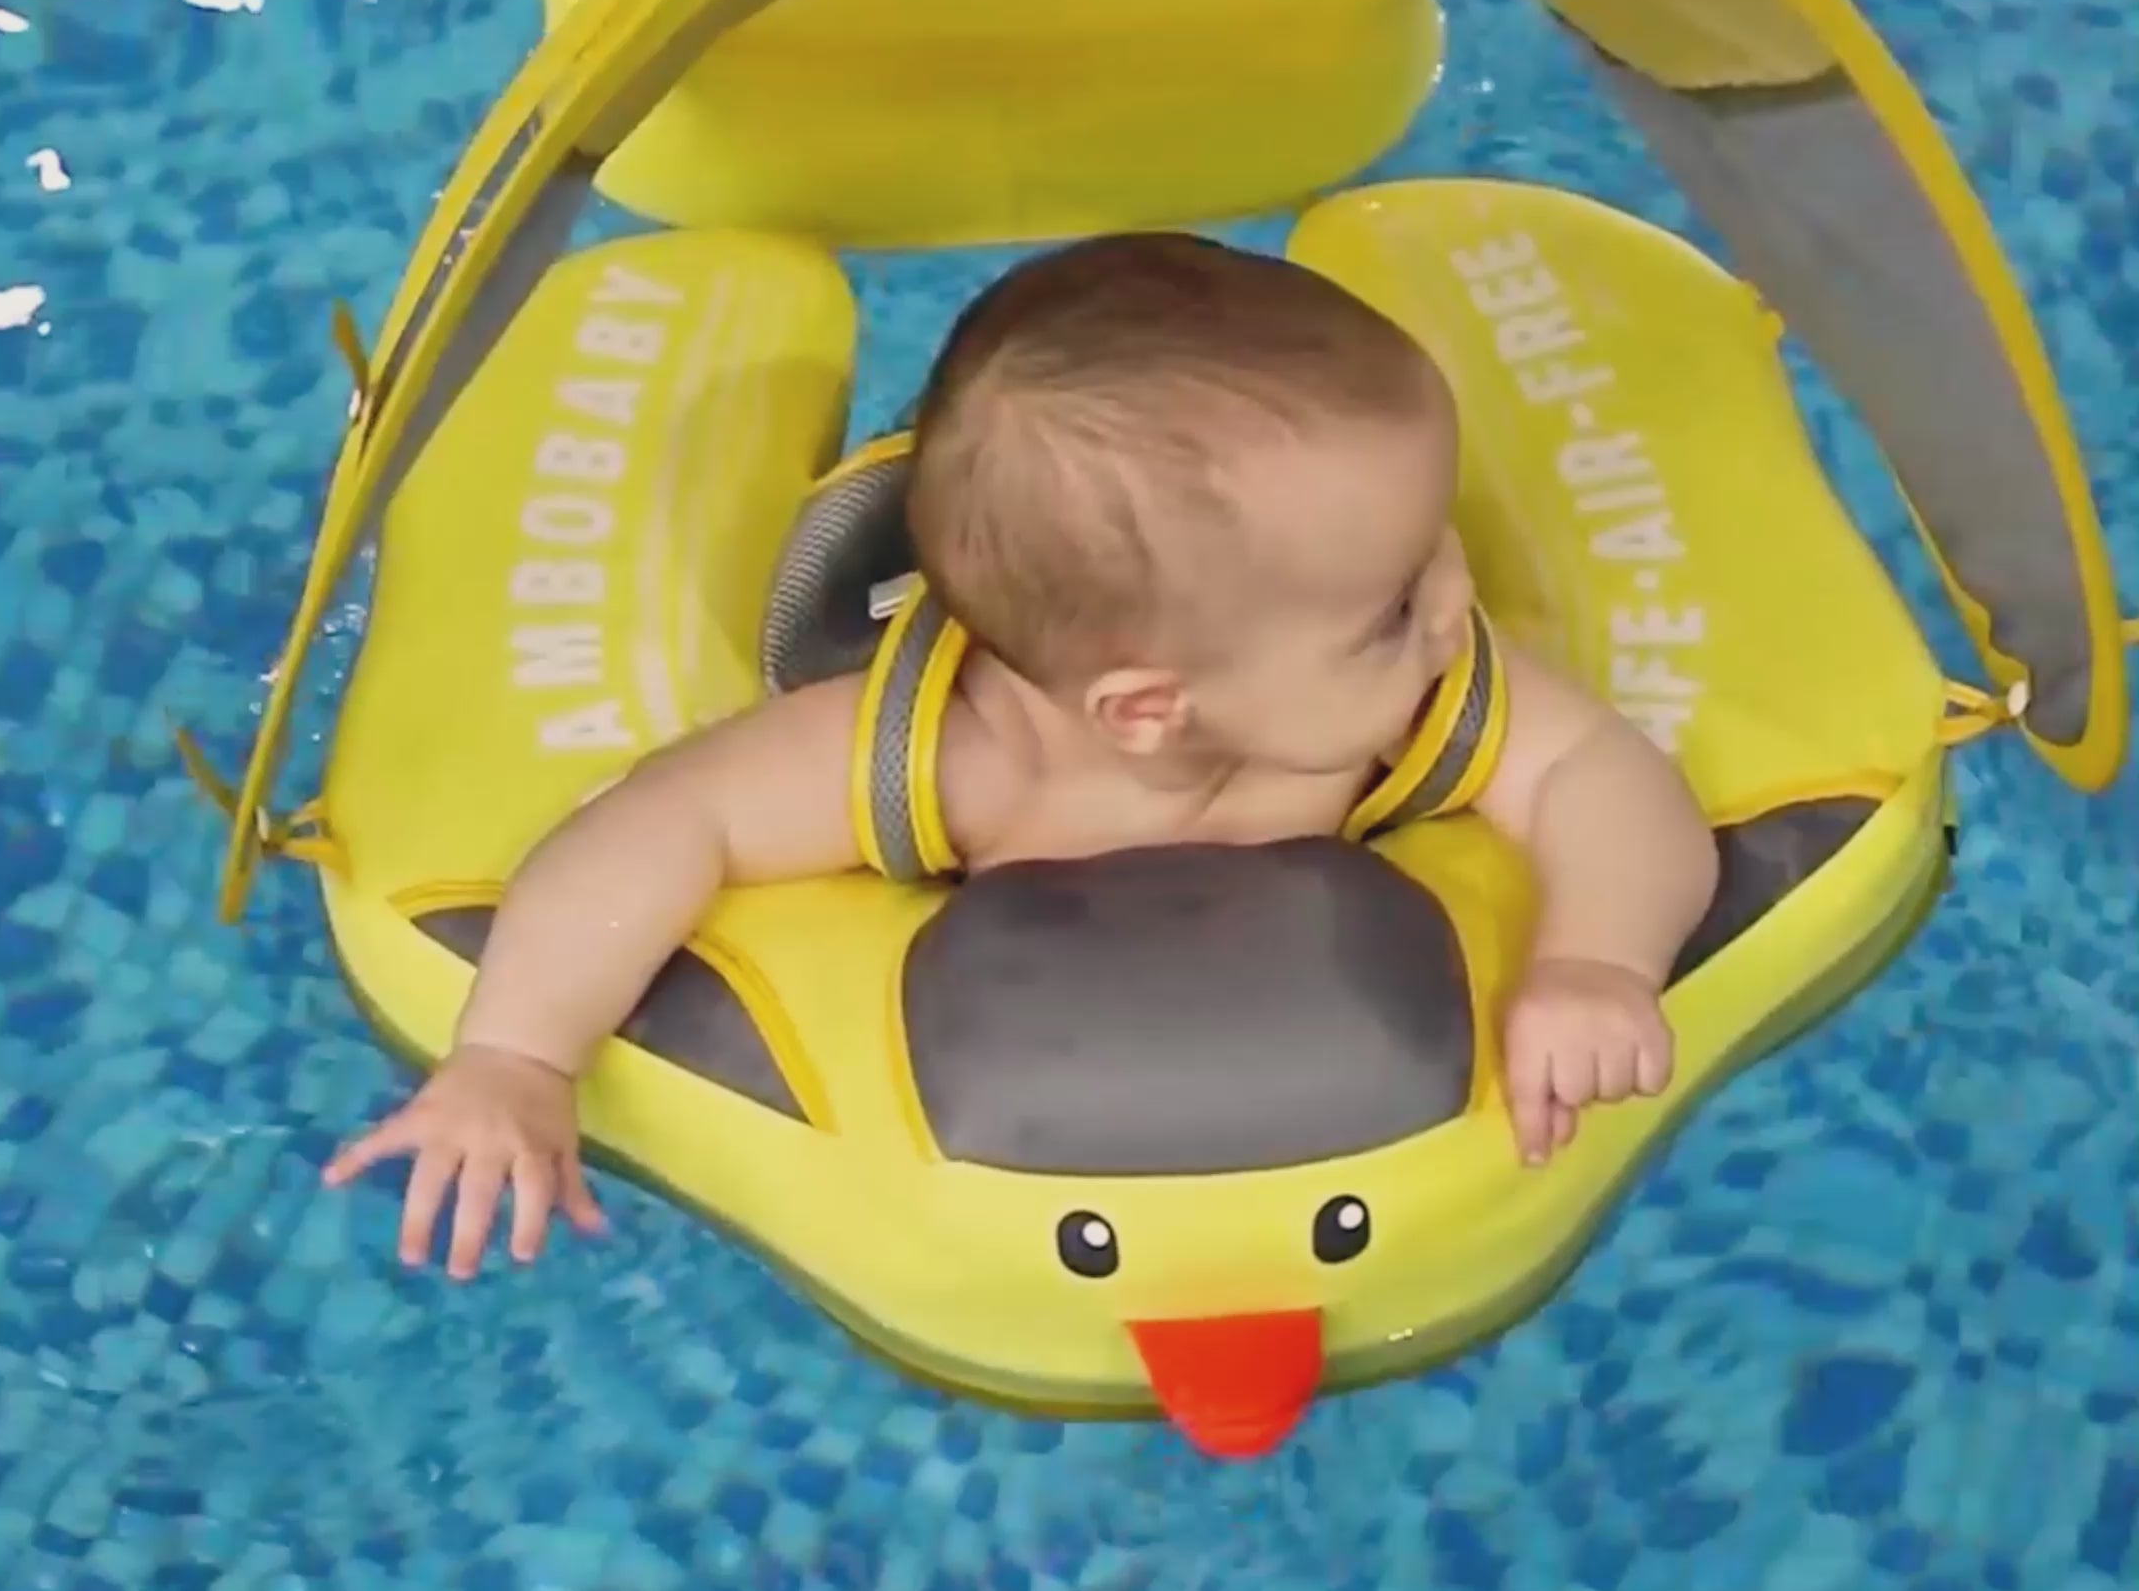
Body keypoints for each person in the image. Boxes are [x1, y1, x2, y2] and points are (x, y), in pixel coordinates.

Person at [324, 232, 1720, 1276]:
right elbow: (656, 823)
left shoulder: (1407, 692)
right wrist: (516, 1056)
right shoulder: (951, 759)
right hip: (903, 594)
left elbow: (1604, 780)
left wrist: (1595, 964)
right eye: (1396, 604)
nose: (1458, 604)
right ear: (1149, 712)